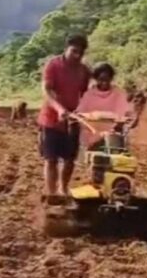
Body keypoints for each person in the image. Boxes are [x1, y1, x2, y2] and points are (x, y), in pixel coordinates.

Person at [38, 34, 91, 199]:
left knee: (69, 159)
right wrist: (59, 109)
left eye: (80, 53)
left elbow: (85, 94)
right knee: (51, 158)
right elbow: (47, 91)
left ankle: (63, 188)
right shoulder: (53, 65)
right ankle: (51, 193)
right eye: (74, 51)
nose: (76, 56)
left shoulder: (83, 71)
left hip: (73, 120)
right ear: (66, 48)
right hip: (51, 119)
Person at [75, 63, 136, 151]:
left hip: (113, 134)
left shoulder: (119, 94)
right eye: (101, 80)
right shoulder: (89, 95)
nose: (104, 83)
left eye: (107, 80)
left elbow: (128, 111)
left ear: (111, 79)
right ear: (96, 79)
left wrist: (131, 118)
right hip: (92, 135)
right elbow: (80, 113)